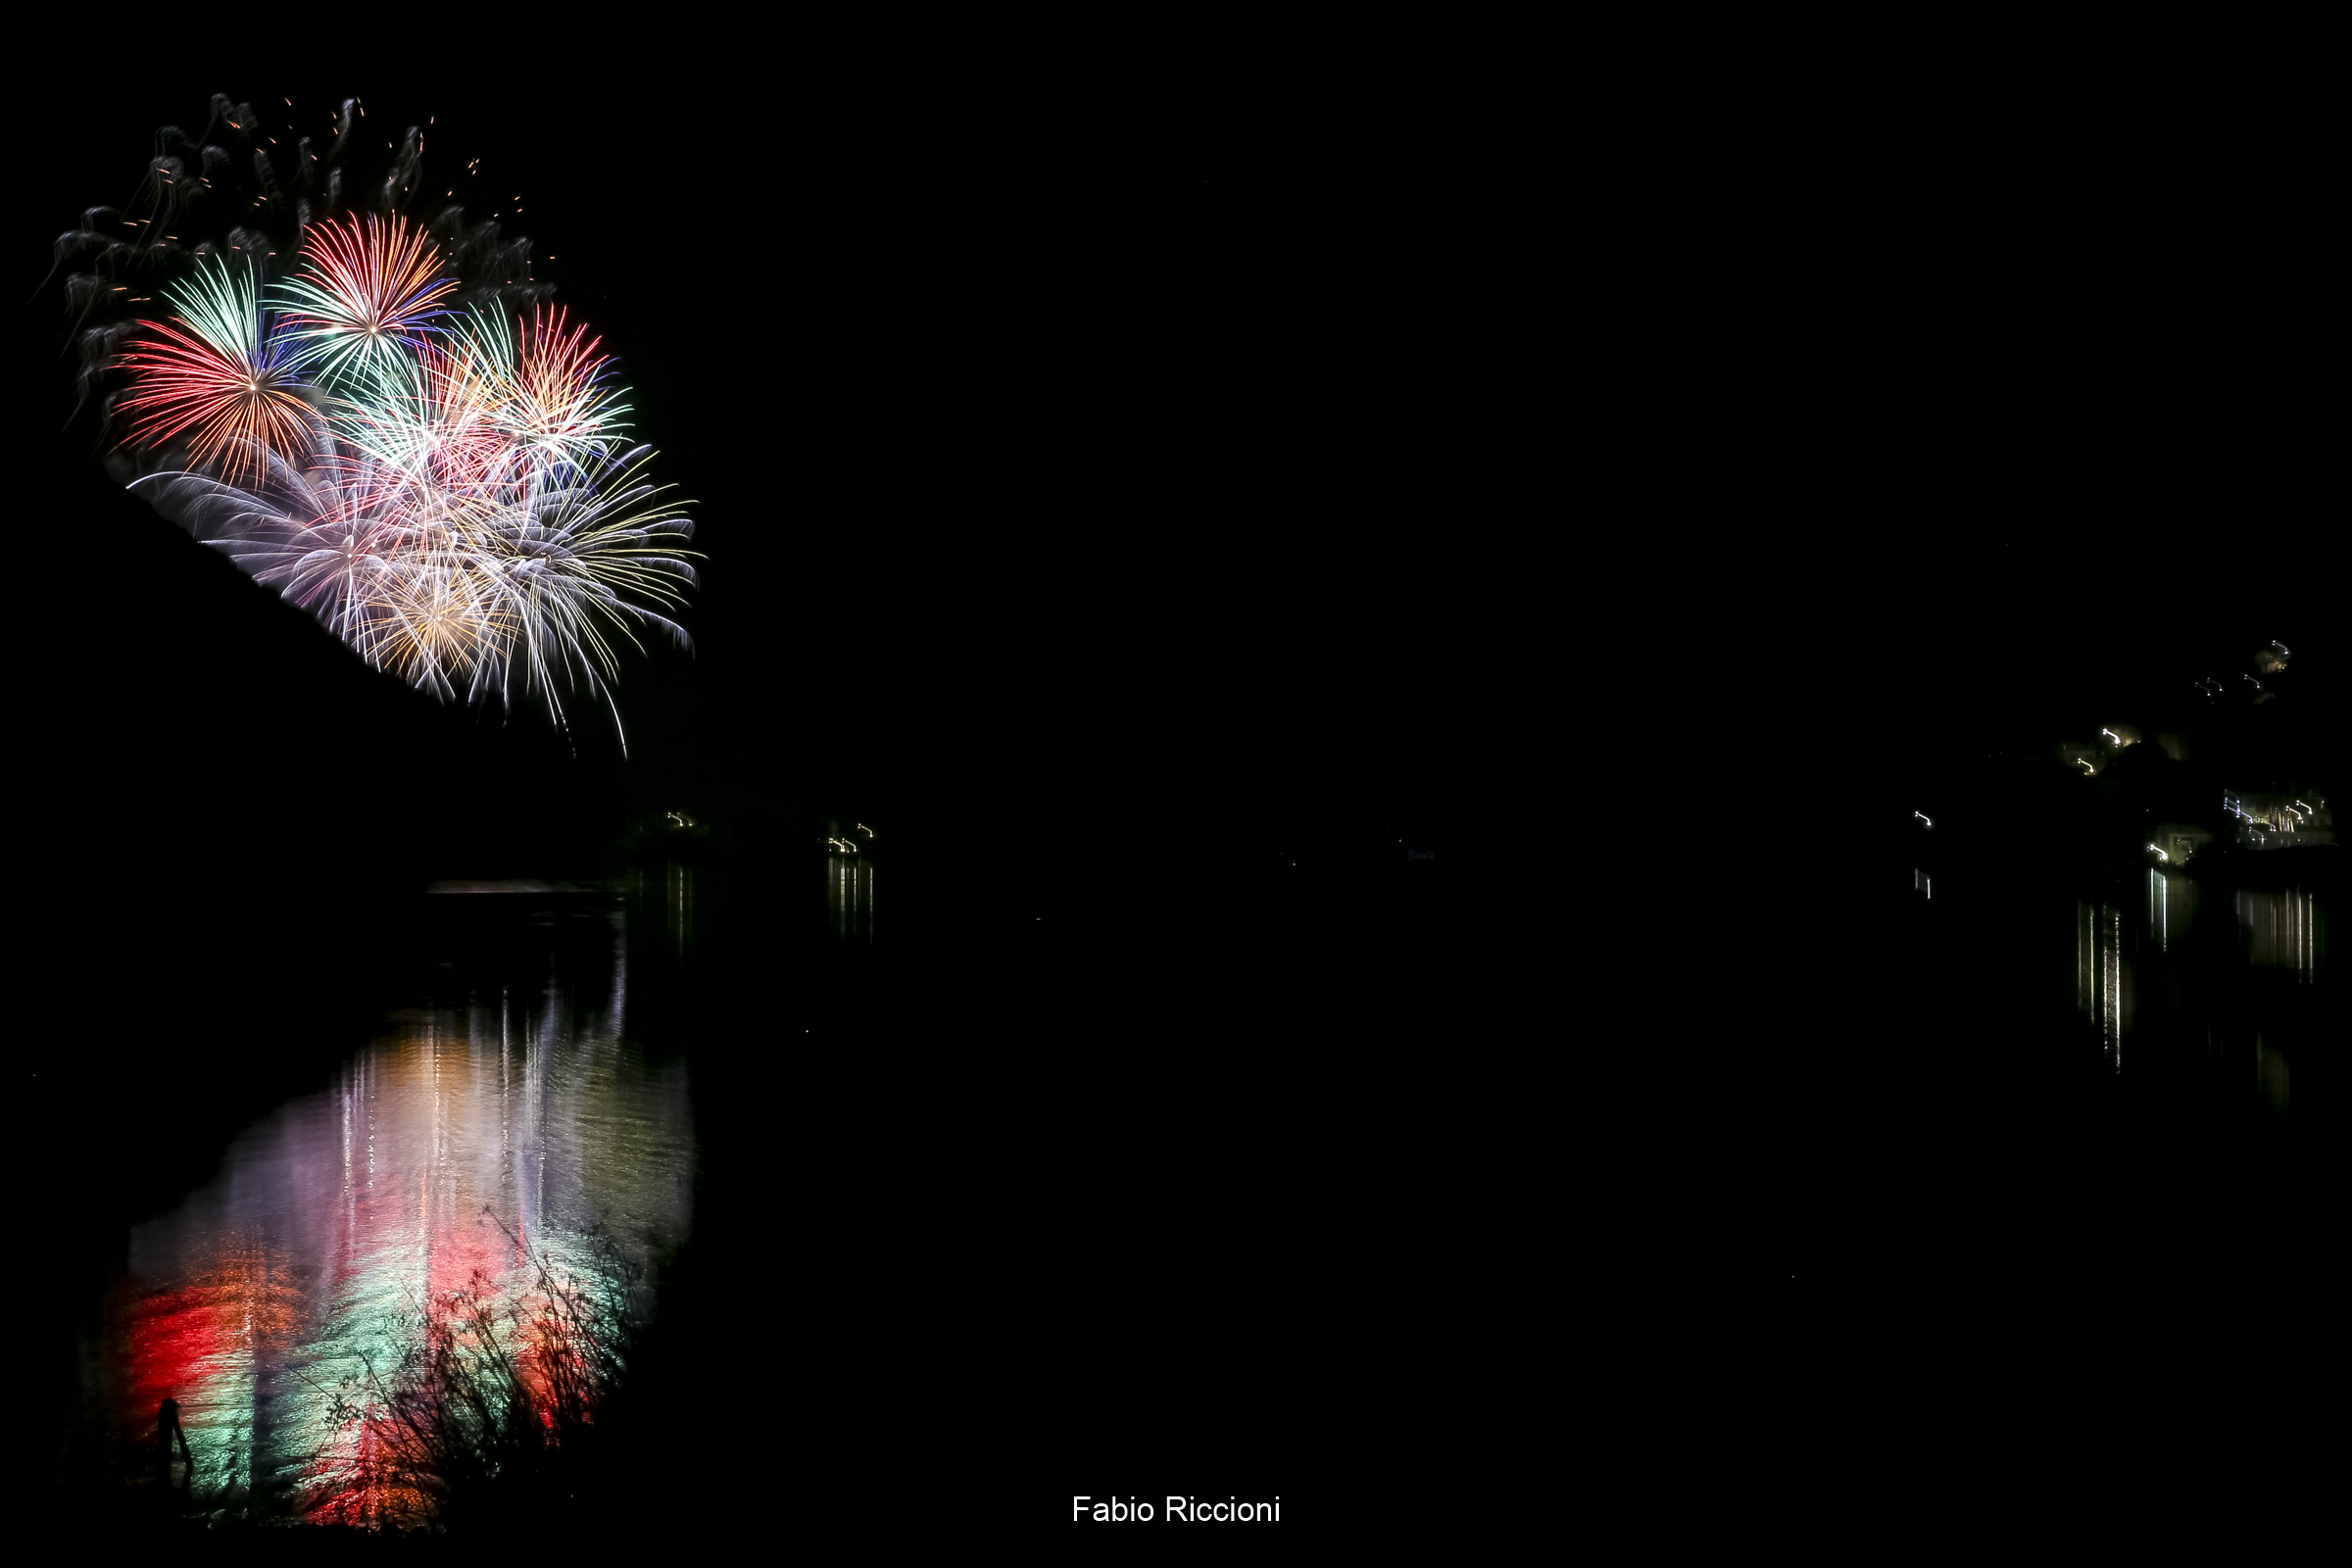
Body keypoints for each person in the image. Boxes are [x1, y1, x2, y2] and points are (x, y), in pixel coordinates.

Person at [156, 1397, 193, 1495]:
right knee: (164, 1447)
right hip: (164, 1434)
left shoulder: (163, 1413)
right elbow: (179, 1435)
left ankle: (163, 1469)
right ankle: (164, 1470)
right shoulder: (169, 1413)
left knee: (164, 1447)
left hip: (163, 1434)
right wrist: (189, 1462)